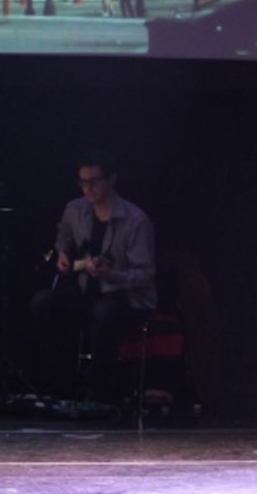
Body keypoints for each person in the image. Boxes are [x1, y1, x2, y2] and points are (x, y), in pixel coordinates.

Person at [30, 150, 155, 398]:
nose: (88, 188)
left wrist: (113, 275)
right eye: (83, 182)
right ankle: (59, 382)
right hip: (87, 288)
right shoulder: (75, 209)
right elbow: (63, 237)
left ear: (112, 180)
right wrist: (63, 255)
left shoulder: (135, 220)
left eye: (94, 181)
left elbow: (145, 274)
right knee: (43, 303)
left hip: (126, 296)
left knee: (103, 313)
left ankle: (99, 388)